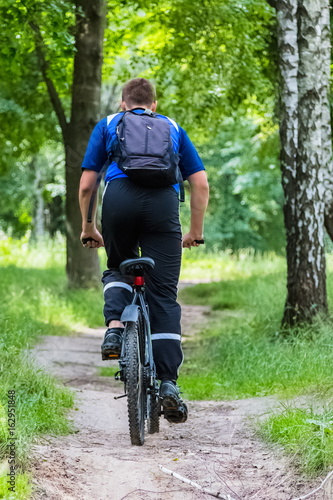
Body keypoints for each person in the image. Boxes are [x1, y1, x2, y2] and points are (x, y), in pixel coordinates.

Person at [79, 78, 209, 423]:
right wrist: (195, 230)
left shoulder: (108, 124)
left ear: (124, 103)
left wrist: (89, 227)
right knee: (163, 294)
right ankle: (168, 384)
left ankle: (115, 327)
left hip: (119, 202)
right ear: (153, 104)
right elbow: (200, 184)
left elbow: (87, 184)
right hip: (163, 207)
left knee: (118, 266)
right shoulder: (172, 127)